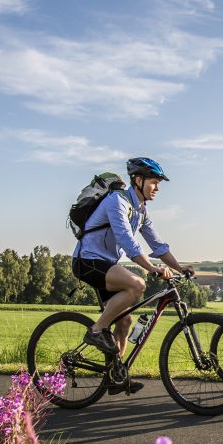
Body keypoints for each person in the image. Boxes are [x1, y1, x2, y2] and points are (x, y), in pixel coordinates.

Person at [72, 157, 194, 392]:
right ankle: (96, 331)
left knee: (125, 321)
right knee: (136, 285)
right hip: (88, 261)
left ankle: (115, 376)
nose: (157, 188)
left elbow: (158, 245)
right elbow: (126, 240)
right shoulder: (116, 201)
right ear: (138, 180)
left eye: (159, 184)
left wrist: (180, 268)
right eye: (153, 182)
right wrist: (152, 268)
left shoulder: (141, 210)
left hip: (106, 265)